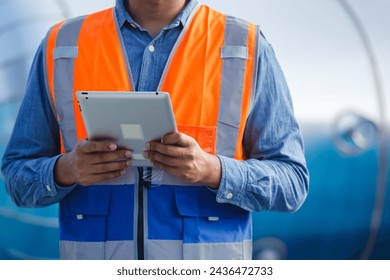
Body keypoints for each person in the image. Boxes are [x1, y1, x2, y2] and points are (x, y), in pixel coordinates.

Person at [1, 0, 309, 260]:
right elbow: (17, 178)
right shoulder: (63, 44)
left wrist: (213, 171)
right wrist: (67, 169)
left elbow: (292, 184)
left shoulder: (245, 45)